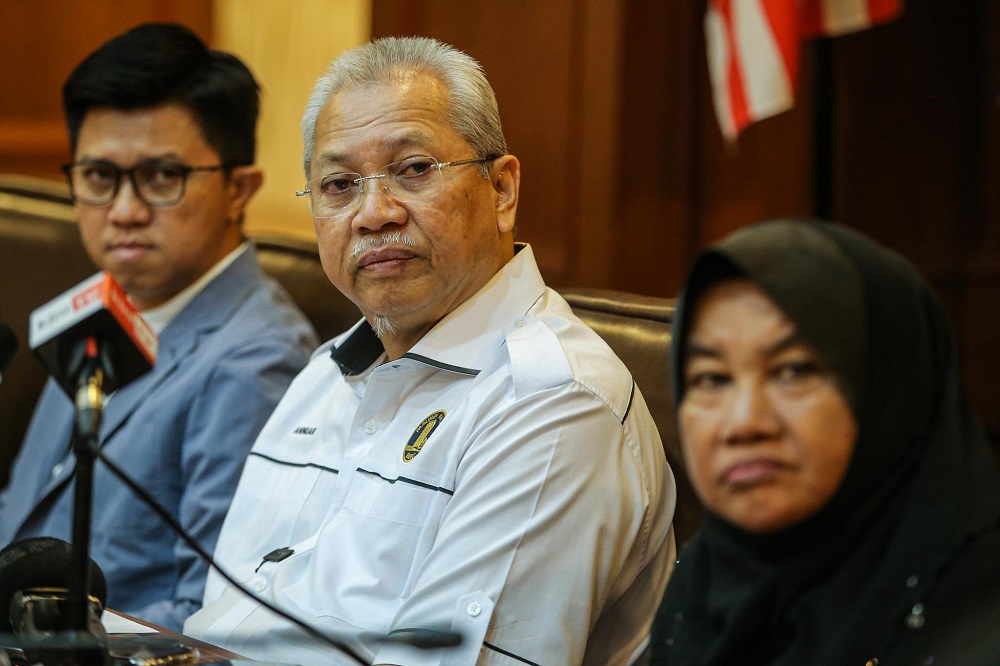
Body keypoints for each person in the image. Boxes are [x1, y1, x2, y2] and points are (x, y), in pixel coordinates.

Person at [184, 36, 676, 665]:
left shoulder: (552, 404)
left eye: (414, 170)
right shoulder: (324, 374)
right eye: (338, 184)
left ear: (501, 190)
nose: (373, 213)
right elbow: (216, 626)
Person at [0, 23, 318, 632]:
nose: (124, 211)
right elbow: (24, 520)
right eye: (98, 177)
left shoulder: (255, 363)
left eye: (161, 178)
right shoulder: (93, 307)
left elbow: (210, 619)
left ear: (238, 188)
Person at [650, 218, 1000, 665]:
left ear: (888, 392)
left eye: (793, 371)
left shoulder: (976, 626)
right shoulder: (701, 585)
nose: (743, 424)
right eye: (712, 378)